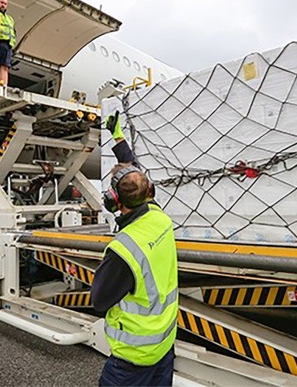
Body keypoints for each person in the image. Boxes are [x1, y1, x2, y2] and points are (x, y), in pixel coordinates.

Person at [91, 111, 178, 386]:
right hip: (164, 345)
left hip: (133, 358)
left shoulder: (124, 250)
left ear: (113, 201)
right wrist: (118, 137)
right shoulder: (159, 217)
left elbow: (99, 302)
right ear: (149, 191)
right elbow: (134, 172)